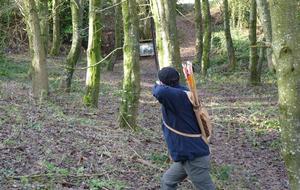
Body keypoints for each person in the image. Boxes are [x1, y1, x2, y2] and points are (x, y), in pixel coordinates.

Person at [152, 67, 215, 190]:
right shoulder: (181, 91)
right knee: (167, 181)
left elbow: (159, 92)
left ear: (164, 83)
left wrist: (157, 84)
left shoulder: (177, 96)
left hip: (194, 157)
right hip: (186, 154)